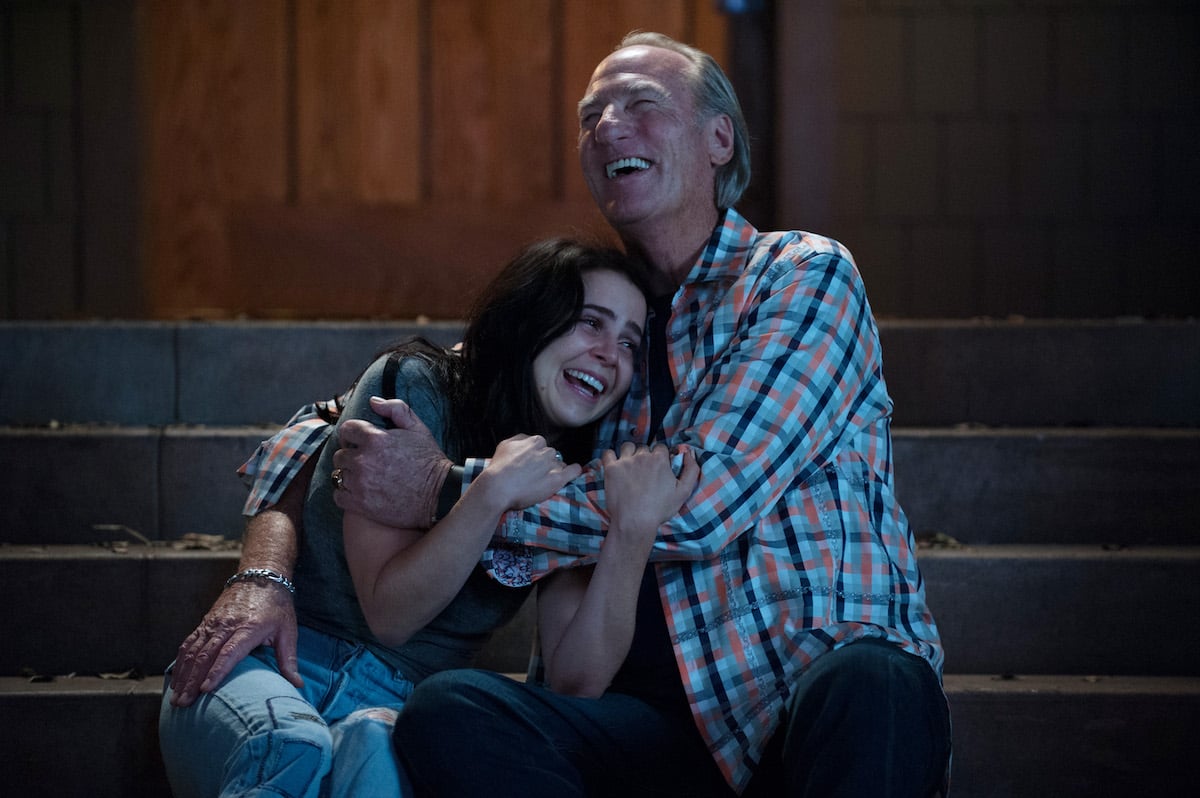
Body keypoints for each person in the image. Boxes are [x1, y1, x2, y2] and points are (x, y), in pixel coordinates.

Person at [332, 31, 952, 797]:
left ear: (719, 138)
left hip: (803, 703)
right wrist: (300, 477)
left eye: (641, 105)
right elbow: (451, 383)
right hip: (649, 732)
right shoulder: (597, 354)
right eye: (591, 116)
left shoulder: (799, 277)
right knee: (452, 711)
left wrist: (445, 492)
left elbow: (704, 503)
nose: (608, 127)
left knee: (878, 681)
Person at [158, 237, 698, 797]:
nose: (612, 354)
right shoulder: (415, 385)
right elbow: (390, 612)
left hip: (392, 710)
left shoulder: (571, 476)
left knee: (375, 756)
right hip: (272, 667)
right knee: (294, 746)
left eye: (631, 343)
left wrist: (631, 533)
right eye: (592, 323)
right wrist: (489, 493)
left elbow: (576, 681)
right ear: (535, 315)